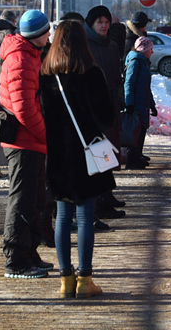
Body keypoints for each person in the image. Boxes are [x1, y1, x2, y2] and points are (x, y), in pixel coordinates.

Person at [39, 20, 115, 298]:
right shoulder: (90, 72)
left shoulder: (46, 74)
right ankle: (85, 280)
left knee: (62, 216)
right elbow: (105, 119)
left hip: (58, 154)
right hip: (86, 154)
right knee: (84, 217)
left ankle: (65, 281)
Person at [0, 9, 53, 279]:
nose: (50, 35)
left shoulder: (30, 54)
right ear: (38, 34)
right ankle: (16, 261)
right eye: (47, 30)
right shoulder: (21, 58)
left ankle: (30, 254)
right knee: (21, 201)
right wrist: (46, 135)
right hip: (24, 142)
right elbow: (24, 109)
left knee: (33, 200)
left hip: (30, 141)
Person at [85, 5, 126, 218]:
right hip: (94, 105)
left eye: (106, 22)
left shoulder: (111, 45)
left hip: (111, 103)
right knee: (99, 152)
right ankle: (100, 202)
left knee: (109, 152)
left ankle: (107, 195)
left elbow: (117, 75)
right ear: (91, 23)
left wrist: (119, 97)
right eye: (99, 22)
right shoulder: (85, 45)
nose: (104, 26)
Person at [124, 36, 158, 170]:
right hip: (136, 104)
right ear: (144, 49)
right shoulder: (136, 62)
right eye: (151, 49)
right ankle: (131, 161)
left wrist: (152, 105)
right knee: (136, 131)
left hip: (142, 102)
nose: (152, 52)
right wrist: (129, 104)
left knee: (141, 130)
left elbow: (146, 86)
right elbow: (129, 83)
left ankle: (137, 156)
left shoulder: (143, 61)